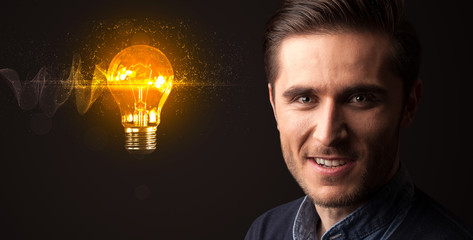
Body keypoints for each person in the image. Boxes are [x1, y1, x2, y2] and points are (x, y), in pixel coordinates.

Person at [244, 0, 473, 239]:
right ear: (274, 106)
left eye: (360, 98)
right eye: (304, 99)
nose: (327, 135)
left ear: (409, 104)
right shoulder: (264, 231)